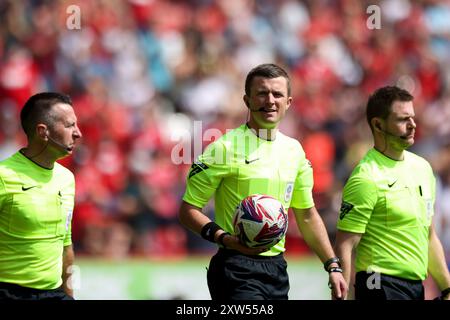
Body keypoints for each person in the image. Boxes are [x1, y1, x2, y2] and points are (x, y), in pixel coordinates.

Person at [179, 63, 347, 300]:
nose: (270, 100)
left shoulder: (294, 151)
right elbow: (187, 210)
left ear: (288, 102)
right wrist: (224, 238)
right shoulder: (223, 148)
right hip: (235, 267)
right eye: (262, 93)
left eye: (277, 94)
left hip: (277, 270)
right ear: (247, 100)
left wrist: (333, 265)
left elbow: (307, 215)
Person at [334, 85, 450, 300]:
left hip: (415, 286)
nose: (412, 125)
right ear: (378, 124)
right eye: (402, 119)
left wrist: (447, 287)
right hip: (377, 283)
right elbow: (345, 244)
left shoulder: (423, 168)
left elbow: (429, 234)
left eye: (412, 118)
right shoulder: (366, 177)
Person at [0, 92, 82, 300]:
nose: (78, 133)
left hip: (54, 294)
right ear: (42, 131)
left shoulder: (67, 179)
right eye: (69, 125)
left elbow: (66, 245)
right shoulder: (4, 176)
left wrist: (70, 294)